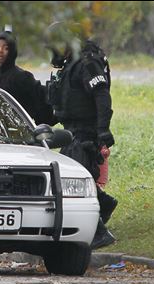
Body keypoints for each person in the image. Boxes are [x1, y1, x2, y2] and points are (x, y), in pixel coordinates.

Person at [46, 24, 118, 250]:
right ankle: (104, 205)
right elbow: (65, 102)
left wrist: (103, 131)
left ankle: (98, 232)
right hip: (71, 131)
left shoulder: (87, 62)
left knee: (70, 181)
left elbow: (102, 96)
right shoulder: (71, 65)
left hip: (85, 133)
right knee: (76, 180)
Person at [0, 28, 57, 126]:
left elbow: (40, 100)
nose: (0, 51)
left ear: (12, 51)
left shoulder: (22, 76)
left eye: (6, 48)